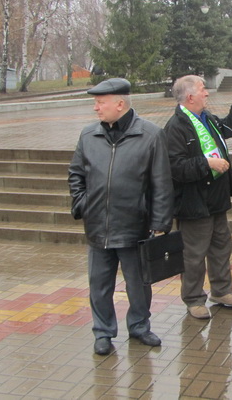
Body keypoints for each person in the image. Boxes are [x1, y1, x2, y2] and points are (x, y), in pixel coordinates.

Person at [68, 77, 174, 355]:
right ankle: (103, 333)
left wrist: (160, 224)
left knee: (138, 285)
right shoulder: (88, 135)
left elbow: (162, 183)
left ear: (120, 103)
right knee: (99, 286)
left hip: (134, 227)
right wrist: (82, 204)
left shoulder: (150, 135)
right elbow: (76, 174)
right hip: (98, 227)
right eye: (95, 103)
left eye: (100, 103)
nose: (95, 108)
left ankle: (139, 326)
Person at [164, 75, 232, 320]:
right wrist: (207, 163)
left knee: (220, 249)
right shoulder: (176, 127)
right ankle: (194, 299)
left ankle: (222, 291)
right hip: (194, 204)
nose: (207, 93)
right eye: (203, 89)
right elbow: (175, 167)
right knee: (193, 256)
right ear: (190, 96)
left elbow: (229, 129)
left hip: (217, 200)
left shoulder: (207, 119)